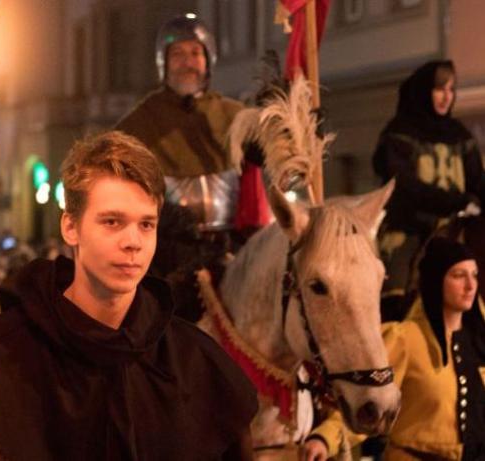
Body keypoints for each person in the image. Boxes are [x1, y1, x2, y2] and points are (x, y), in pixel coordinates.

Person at [0, 131, 258, 460]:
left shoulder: (195, 361)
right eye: (111, 222)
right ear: (70, 227)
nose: (133, 242)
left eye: (146, 224)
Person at [302, 237, 485, 461]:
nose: (470, 285)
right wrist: (325, 438)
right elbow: (368, 404)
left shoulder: (478, 343)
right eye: (458, 275)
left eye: (474, 275)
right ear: (437, 281)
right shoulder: (405, 339)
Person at [115, 13, 269, 244]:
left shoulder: (235, 115)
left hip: (229, 245)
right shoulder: (139, 123)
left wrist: (297, 130)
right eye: (177, 54)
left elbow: (280, 161)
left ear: (208, 60)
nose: (187, 63)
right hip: (165, 249)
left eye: (195, 53)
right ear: (163, 62)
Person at [373, 60, 485, 321]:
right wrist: (455, 201)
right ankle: (392, 323)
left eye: (451, 89)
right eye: (439, 89)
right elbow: (403, 185)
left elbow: (477, 180)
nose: (447, 97)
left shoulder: (459, 134)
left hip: (456, 224)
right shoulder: (400, 131)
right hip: (411, 225)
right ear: (424, 90)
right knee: (397, 283)